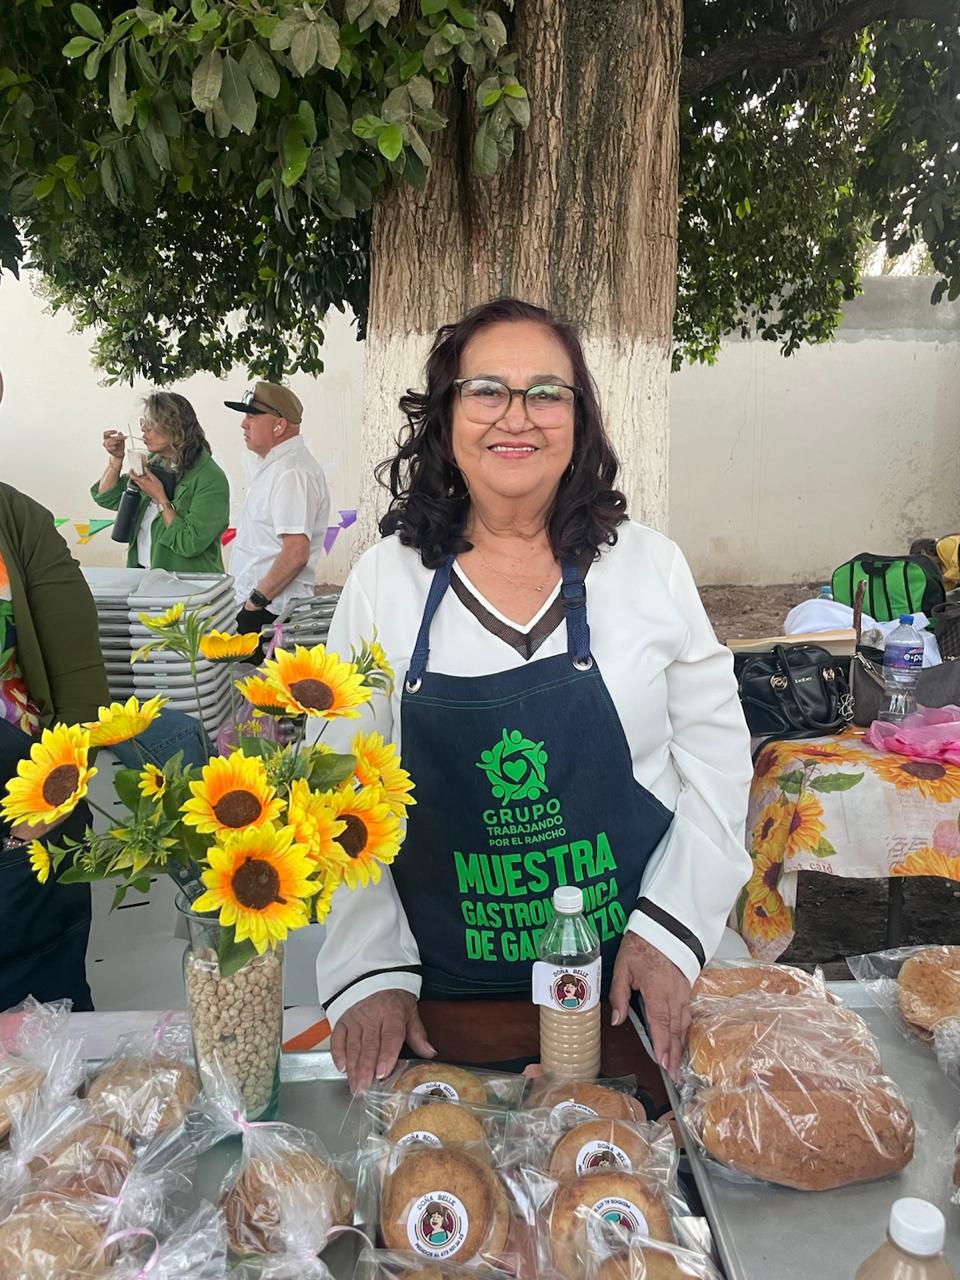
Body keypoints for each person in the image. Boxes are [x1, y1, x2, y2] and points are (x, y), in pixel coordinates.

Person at [313, 298, 753, 1094]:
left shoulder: (650, 568)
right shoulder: (385, 581)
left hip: (628, 994)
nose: (516, 416)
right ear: (446, 417)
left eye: (546, 392)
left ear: (578, 421)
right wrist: (370, 965)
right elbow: (340, 785)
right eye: (486, 389)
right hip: (439, 1001)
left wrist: (673, 930)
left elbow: (717, 763)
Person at [0, 479, 108, 1010]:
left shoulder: (17, 519)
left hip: (24, 802)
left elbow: (79, 676)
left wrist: (35, 824)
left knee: (44, 1033)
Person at [223, 382, 331, 650]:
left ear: (279, 426)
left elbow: (295, 553)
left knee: (261, 689)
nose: (243, 424)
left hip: (272, 612)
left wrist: (254, 605)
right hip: (264, 607)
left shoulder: (291, 472)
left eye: (251, 416)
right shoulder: (279, 466)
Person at [93, 391, 229, 572]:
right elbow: (107, 497)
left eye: (151, 423)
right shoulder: (154, 462)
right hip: (143, 576)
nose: (143, 429)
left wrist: (161, 499)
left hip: (187, 587)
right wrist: (116, 460)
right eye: (144, 422)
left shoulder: (209, 478)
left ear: (176, 427)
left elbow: (190, 543)